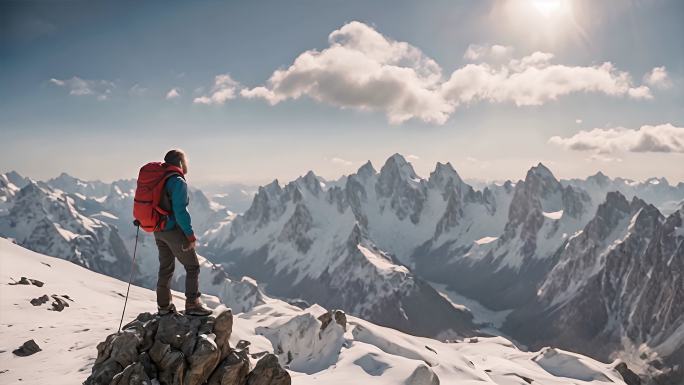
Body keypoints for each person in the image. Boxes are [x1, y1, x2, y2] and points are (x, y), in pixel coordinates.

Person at [154, 149, 212, 316]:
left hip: (158, 230)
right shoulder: (178, 181)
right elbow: (180, 212)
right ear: (180, 162)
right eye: (185, 161)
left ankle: (163, 306)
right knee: (192, 266)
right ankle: (192, 304)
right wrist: (190, 235)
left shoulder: (160, 179)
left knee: (166, 267)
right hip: (172, 230)